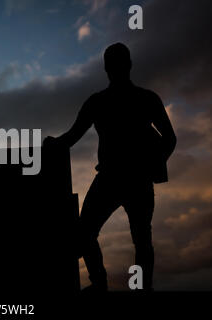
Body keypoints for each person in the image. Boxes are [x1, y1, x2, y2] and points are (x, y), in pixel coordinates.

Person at [44, 43, 176, 292]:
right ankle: (109, 284)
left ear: (107, 67)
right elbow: (170, 140)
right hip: (122, 179)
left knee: (105, 236)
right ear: (128, 65)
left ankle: (102, 283)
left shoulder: (104, 101)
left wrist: (153, 168)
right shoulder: (139, 99)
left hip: (118, 179)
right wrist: (154, 166)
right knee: (131, 240)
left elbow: (70, 138)